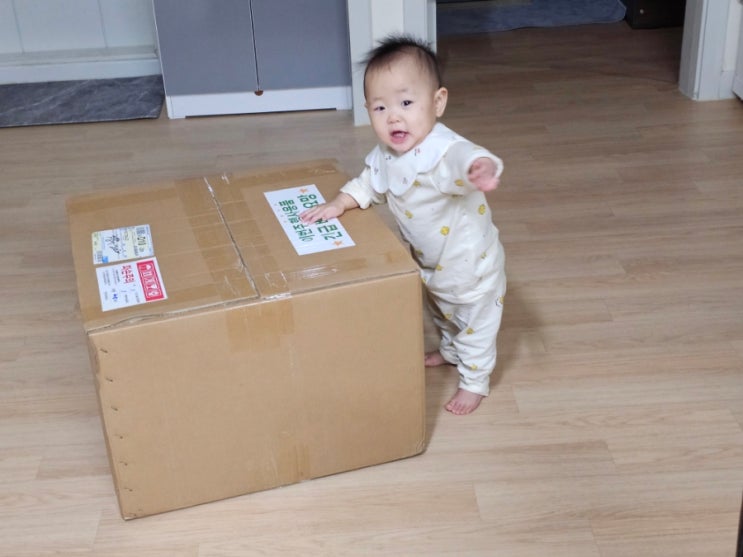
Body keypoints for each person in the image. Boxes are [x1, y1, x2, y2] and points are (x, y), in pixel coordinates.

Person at [300, 35, 506, 415]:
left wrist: (479, 167)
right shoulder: (386, 154)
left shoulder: (443, 151)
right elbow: (368, 183)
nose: (393, 117)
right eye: (380, 107)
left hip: (471, 267)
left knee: (474, 326)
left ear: (437, 102)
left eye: (406, 103)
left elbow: (462, 156)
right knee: (441, 313)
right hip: (432, 263)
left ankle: (474, 381)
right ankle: (449, 351)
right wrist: (340, 202)